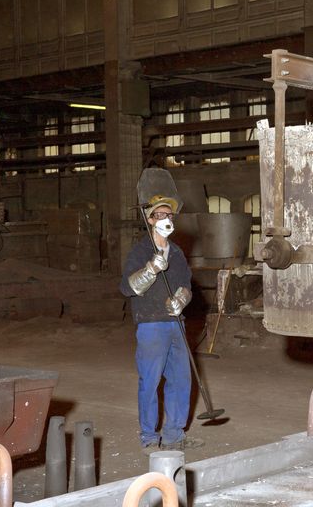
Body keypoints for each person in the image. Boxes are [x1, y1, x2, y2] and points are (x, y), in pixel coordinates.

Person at [119, 194, 198, 453]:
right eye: (161, 215)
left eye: (170, 216)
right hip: (151, 324)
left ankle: (174, 435)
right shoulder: (141, 251)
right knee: (151, 382)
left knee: (181, 380)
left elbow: (186, 284)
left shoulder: (176, 252)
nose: (167, 220)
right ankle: (150, 438)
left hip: (176, 323)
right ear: (150, 219)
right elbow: (127, 288)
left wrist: (182, 299)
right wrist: (151, 270)